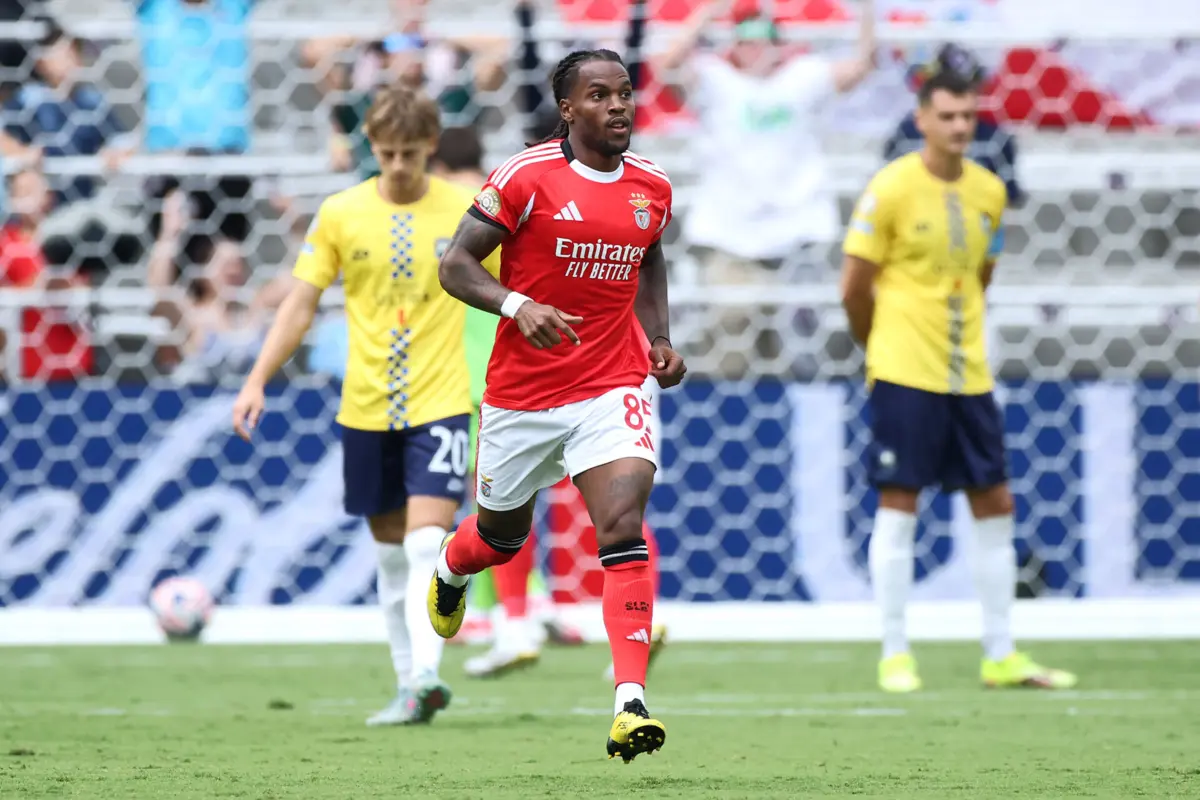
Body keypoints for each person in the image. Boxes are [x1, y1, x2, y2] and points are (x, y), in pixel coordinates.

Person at [431, 49, 685, 762]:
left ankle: (629, 705)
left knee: (623, 519)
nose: (618, 106)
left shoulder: (653, 187)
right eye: (599, 96)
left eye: (625, 94)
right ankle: (453, 567)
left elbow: (649, 255)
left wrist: (659, 338)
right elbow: (455, 263)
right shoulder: (525, 177)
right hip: (523, 395)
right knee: (499, 539)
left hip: (614, 383)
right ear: (567, 110)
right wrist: (517, 305)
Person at [232, 85, 500, 726]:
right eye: (387, 153)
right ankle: (409, 685)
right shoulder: (341, 214)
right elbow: (300, 303)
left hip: (440, 400)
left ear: (431, 146)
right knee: (388, 556)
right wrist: (257, 377)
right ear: (371, 148)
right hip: (366, 407)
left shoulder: (469, 211)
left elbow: (517, 282)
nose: (400, 165)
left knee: (424, 544)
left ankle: (430, 676)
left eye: (411, 152)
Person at [840, 68, 1078, 694]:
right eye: (946, 115)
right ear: (921, 119)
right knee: (901, 500)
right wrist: (880, 349)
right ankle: (895, 654)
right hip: (902, 369)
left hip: (968, 370)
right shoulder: (889, 188)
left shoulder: (989, 192)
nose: (958, 127)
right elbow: (853, 287)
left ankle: (1001, 653)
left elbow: (984, 274)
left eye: (967, 116)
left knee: (995, 501)